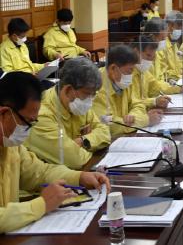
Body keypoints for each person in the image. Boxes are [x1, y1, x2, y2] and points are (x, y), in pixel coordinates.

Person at [0, 72, 110, 233]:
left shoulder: (11, 145)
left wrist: (79, 177)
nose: (27, 131)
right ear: (4, 113)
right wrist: (41, 205)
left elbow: (40, 172)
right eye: (27, 122)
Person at [24, 59, 110, 170]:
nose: (90, 101)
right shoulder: (41, 115)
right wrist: (93, 141)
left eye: (93, 95)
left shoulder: (76, 103)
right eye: (87, 94)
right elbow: (76, 160)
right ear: (68, 90)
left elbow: (105, 132)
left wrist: (83, 141)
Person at [92, 45, 155, 137]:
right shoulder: (96, 88)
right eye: (130, 70)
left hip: (124, 135)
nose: (131, 75)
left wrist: (133, 116)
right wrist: (146, 120)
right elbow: (110, 126)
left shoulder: (122, 81)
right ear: (113, 68)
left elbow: (138, 104)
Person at [131, 35, 182, 111]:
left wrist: (178, 88)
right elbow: (132, 103)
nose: (150, 61)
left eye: (153, 57)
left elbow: (155, 86)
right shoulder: (127, 72)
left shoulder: (142, 70)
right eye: (148, 55)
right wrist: (153, 101)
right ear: (136, 52)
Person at [156, 10, 183, 81]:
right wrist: (179, 75)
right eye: (178, 27)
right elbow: (163, 73)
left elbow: (178, 65)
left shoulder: (173, 42)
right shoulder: (161, 45)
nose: (180, 30)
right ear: (168, 25)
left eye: (181, 28)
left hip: (177, 80)